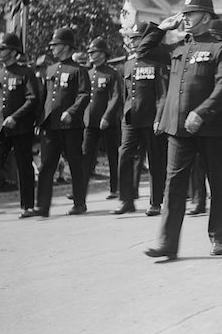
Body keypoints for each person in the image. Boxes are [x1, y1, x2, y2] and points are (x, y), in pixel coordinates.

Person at [142, 0, 222, 259]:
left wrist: (202, 112)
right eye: (183, 13)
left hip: (212, 129)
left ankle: (218, 237)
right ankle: (167, 243)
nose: (185, 18)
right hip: (179, 129)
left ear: (206, 17)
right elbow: (144, 50)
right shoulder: (178, 46)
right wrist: (161, 28)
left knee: (218, 183)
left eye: (190, 13)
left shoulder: (221, 48)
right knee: (174, 187)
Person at [187, 20, 222, 216]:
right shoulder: (194, 55)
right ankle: (198, 200)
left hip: (220, 119)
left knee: (220, 169)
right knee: (196, 163)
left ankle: (220, 204)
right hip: (197, 117)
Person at [32, 27, 91, 217]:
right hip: (51, 126)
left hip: (71, 126)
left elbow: (84, 95)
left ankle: (79, 203)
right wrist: (39, 121)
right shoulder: (50, 69)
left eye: (55, 45)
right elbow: (45, 97)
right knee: (46, 165)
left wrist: (72, 112)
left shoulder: (79, 70)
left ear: (65, 47)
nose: (52, 48)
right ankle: (42, 206)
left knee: (75, 164)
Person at [112, 21, 168, 216]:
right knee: (124, 155)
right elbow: (125, 94)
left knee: (155, 160)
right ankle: (126, 200)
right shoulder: (127, 65)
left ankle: (156, 202)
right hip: (131, 119)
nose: (134, 42)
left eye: (138, 38)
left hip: (151, 118)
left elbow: (162, 94)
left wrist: (159, 118)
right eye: (132, 38)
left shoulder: (157, 64)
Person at [0, 33, 39, 218]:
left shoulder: (26, 73)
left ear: (13, 51)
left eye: (3, 48)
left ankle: (27, 206)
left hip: (20, 128)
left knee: (24, 166)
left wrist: (15, 117)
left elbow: (32, 99)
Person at [81, 37, 122, 200]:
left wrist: (107, 116)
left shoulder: (112, 73)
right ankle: (80, 190)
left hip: (108, 122)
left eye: (95, 52)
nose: (91, 55)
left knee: (112, 155)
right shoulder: (87, 73)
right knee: (85, 156)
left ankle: (115, 188)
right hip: (90, 122)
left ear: (103, 54)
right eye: (90, 52)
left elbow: (116, 97)